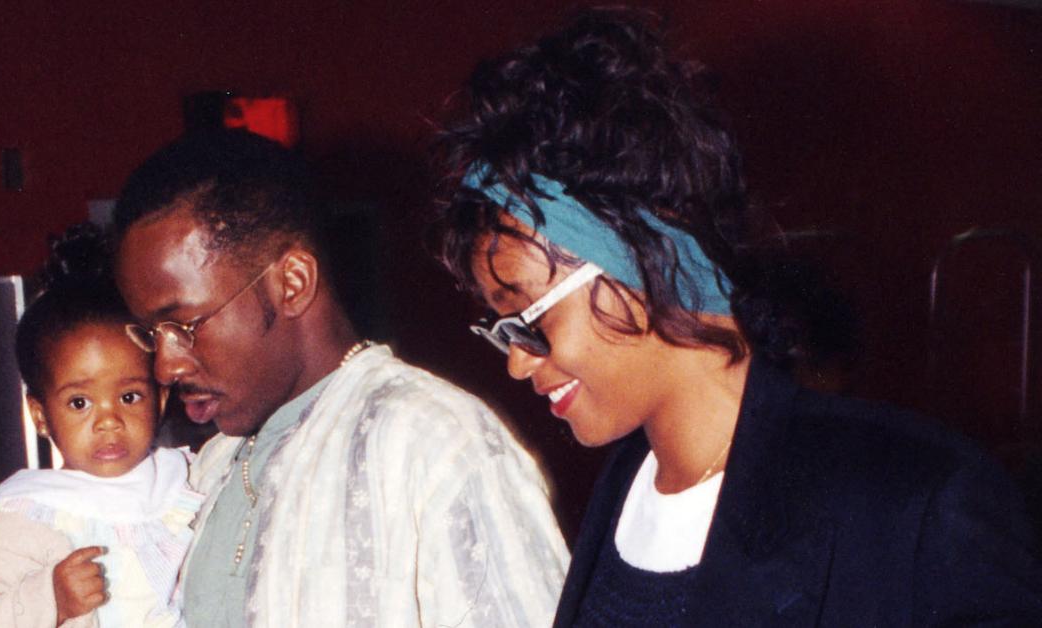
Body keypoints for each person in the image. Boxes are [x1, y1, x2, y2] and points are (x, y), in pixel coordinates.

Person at [432, 8, 1042, 626]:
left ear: (645, 257)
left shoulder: (916, 503)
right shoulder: (620, 493)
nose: (515, 361)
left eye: (526, 318)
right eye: (501, 330)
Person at [110, 129, 569, 627]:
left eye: (184, 325)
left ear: (292, 283)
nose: (165, 366)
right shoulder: (207, 470)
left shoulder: (432, 440)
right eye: (153, 334)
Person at [0, 225, 203, 627]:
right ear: (41, 415)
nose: (109, 421)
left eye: (129, 397)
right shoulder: (26, 514)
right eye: (80, 402)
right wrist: (50, 600)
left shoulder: (184, 483)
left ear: (160, 399)